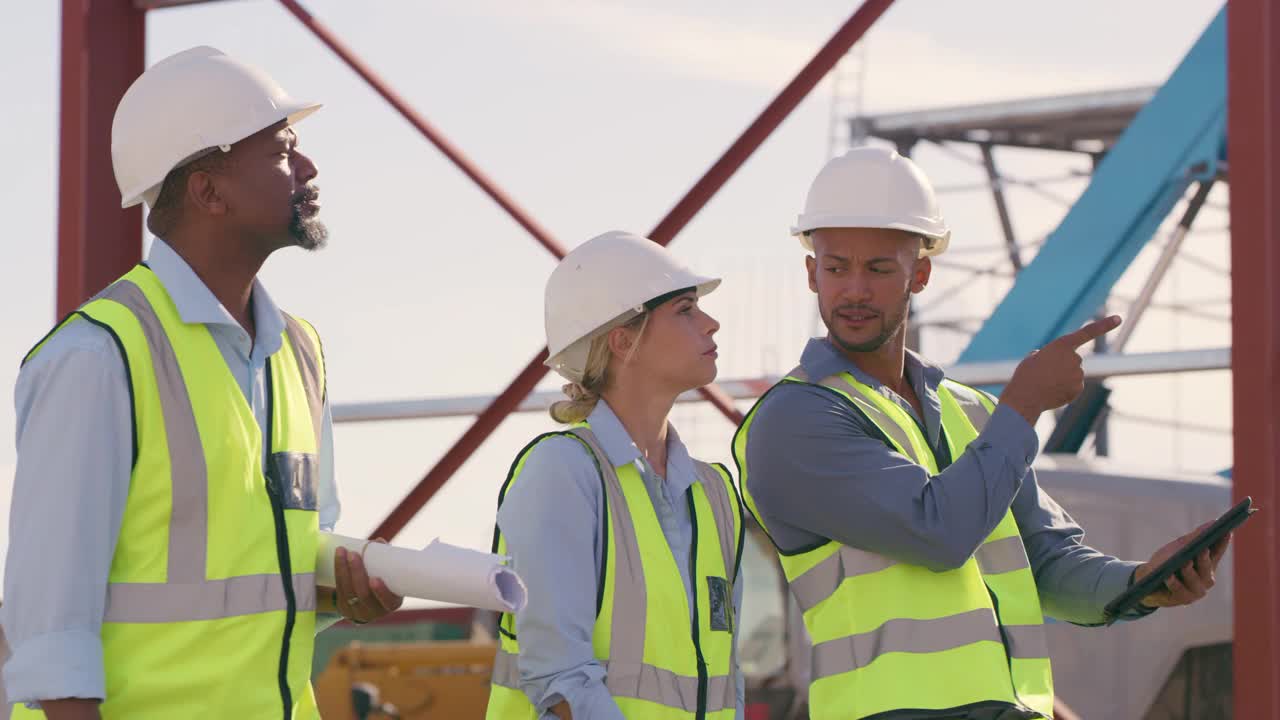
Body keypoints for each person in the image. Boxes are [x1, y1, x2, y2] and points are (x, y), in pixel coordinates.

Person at [734, 146, 1229, 720]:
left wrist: (1138, 584)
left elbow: (1044, 560)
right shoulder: (794, 421)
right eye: (836, 267)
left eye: (878, 268)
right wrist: (1023, 406)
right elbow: (938, 531)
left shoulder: (972, 412)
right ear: (811, 272)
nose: (854, 291)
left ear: (919, 273)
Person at [2, 47, 401, 720]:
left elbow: (283, 564)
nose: (308, 169)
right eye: (282, 152)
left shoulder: (300, 354)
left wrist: (343, 592)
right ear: (208, 191)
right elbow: (49, 632)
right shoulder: (98, 359)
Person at [486, 231, 745, 719]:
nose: (711, 323)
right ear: (624, 341)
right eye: (685, 310)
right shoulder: (560, 473)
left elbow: (727, 679)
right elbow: (557, 682)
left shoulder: (715, 494)